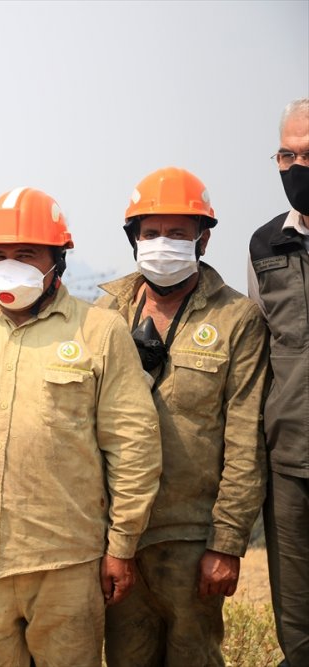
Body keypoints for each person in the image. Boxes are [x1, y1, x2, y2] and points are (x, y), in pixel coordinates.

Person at [0, 186, 162, 666]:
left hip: (66, 564)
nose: (10, 265)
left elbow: (133, 446)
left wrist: (122, 545)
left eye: (25, 254)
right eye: (0, 254)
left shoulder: (97, 331)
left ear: (57, 260)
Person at [98, 167, 268, 666]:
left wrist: (227, 543)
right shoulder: (107, 312)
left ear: (204, 238)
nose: (162, 244)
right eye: (150, 233)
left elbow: (244, 438)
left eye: (177, 233)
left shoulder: (237, 319)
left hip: (193, 538)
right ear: (134, 239)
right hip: (118, 536)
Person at [249, 97, 309, 666]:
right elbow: (261, 352)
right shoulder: (265, 244)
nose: (299, 169)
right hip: (289, 461)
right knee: (297, 618)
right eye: (288, 155)